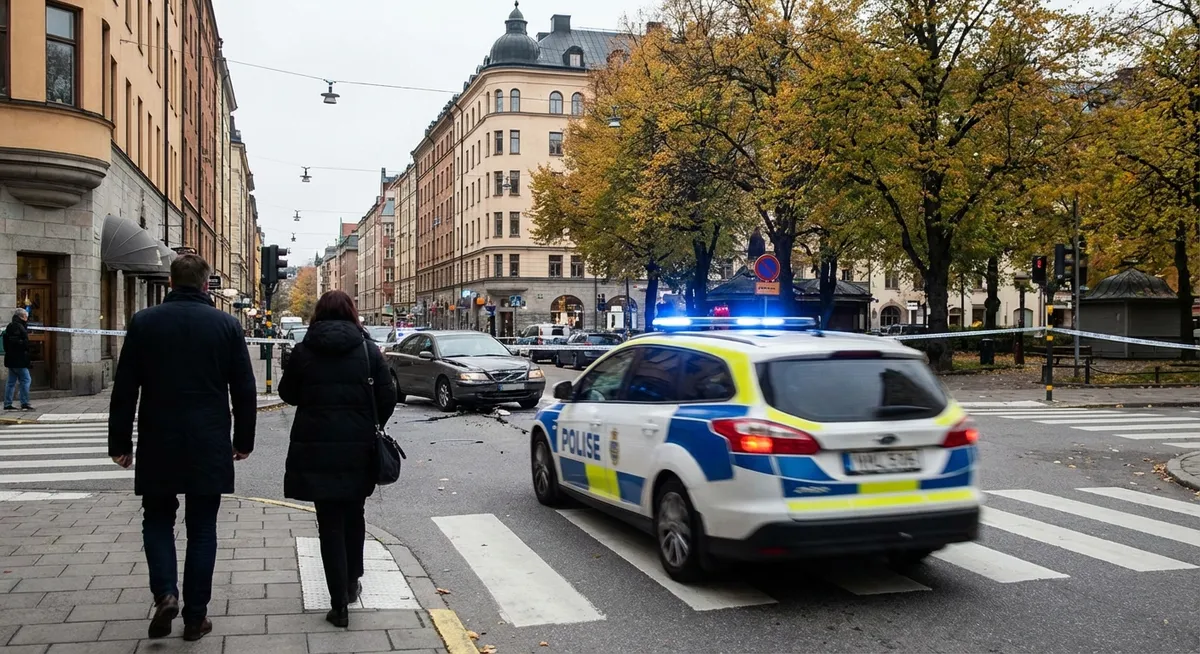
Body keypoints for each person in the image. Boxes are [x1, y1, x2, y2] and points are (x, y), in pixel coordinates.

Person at [108, 254, 257, 642]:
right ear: (206, 285)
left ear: (171, 284)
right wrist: (242, 441)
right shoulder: (227, 325)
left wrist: (120, 443)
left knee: (156, 519)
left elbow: (125, 389)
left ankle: (165, 593)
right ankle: (195, 617)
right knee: (203, 528)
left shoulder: (144, 323)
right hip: (208, 439)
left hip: (160, 437)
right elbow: (243, 390)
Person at [278, 290, 395, 628]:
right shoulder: (367, 349)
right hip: (359, 446)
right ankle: (353, 577)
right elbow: (387, 396)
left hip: (315, 447)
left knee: (328, 521)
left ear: (318, 314)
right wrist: (372, 424)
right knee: (354, 513)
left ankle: (337, 602)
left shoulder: (304, 349)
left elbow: (287, 393)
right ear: (352, 313)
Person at [3, 309, 33, 412]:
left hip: (11, 358)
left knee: (11, 382)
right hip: (19, 359)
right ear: (22, 316)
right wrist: (25, 345)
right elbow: (18, 342)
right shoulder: (18, 326)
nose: (27, 318)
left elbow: (7, 342)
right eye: (26, 316)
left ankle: (7, 403)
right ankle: (24, 403)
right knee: (26, 380)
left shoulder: (11, 326)